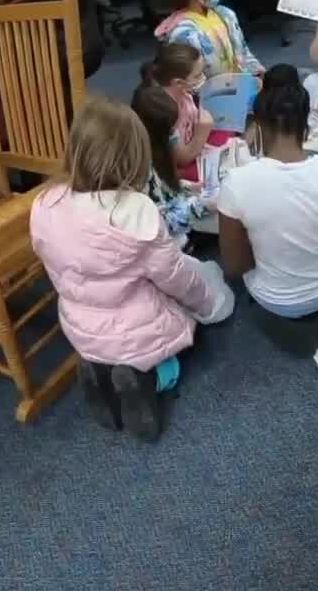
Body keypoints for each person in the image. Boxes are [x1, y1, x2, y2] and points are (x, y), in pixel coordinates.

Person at [30, 96, 234, 441]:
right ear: (132, 158)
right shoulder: (136, 211)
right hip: (140, 331)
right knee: (195, 325)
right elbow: (176, 278)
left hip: (80, 326)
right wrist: (211, 303)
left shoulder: (45, 203)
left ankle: (97, 367)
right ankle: (148, 379)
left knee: (114, 326)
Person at [217, 64, 318, 318]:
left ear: (258, 127)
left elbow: (235, 266)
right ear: (307, 131)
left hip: (273, 299)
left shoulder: (236, 182)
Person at [138, 43, 239, 182]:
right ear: (178, 82)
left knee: (228, 127)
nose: (203, 78)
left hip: (193, 143)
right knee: (213, 170)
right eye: (197, 75)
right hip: (179, 162)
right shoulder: (165, 110)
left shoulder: (184, 94)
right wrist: (201, 133)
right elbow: (182, 158)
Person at [153, 0, 264, 79]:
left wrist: (256, 70)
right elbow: (190, 79)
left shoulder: (225, 14)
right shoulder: (182, 34)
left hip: (240, 82)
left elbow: (242, 51)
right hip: (211, 93)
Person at [129, 82, 202, 242]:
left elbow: (163, 187)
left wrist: (186, 188)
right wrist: (200, 205)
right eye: (171, 131)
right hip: (160, 244)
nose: (176, 134)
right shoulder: (139, 168)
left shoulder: (148, 150)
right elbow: (161, 224)